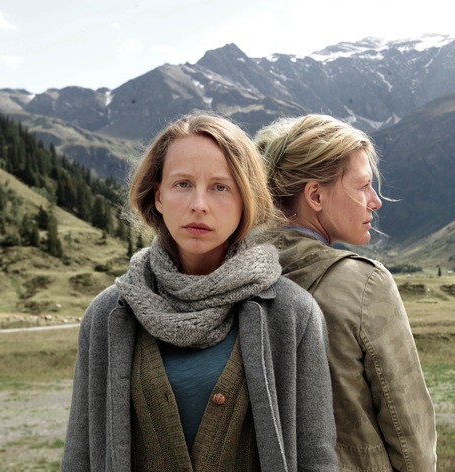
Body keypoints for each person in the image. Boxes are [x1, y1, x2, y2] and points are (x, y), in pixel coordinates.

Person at [61, 112, 338, 471]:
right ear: (158, 195)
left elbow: (316, 458)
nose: (199, 204)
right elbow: (80, 456)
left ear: (246, 201)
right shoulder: (108, 315)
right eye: (182, 184)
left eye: (220, 187)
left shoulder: (292, 313)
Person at [255, 114, 437, 472]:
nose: (375, 201)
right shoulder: (363, 283)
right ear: (316, 195)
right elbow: (409, 431)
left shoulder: (226, 273)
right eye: (363, 186)